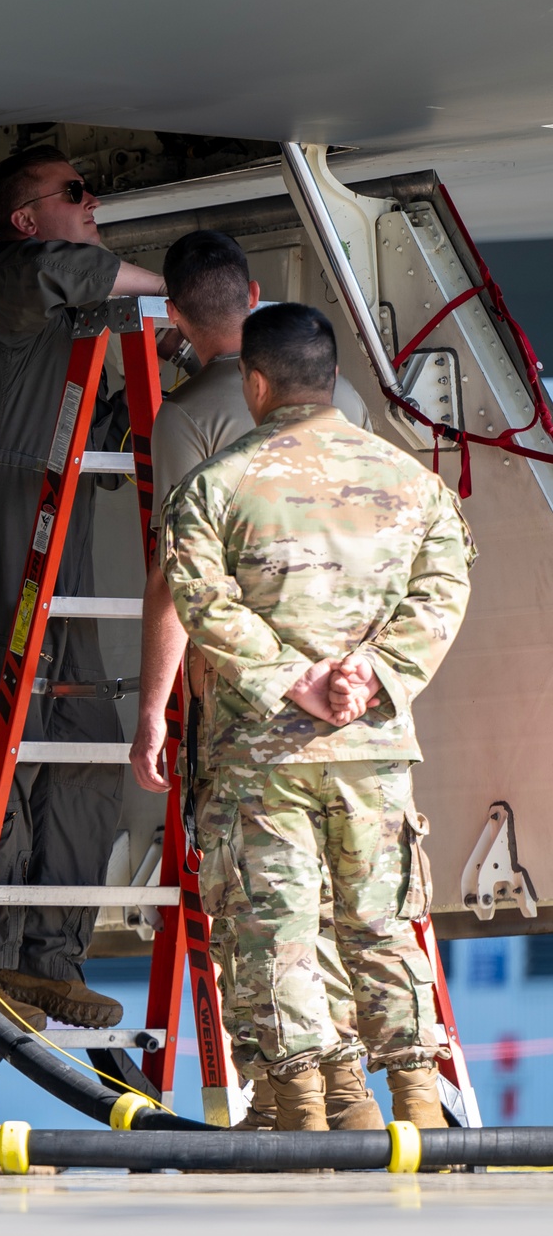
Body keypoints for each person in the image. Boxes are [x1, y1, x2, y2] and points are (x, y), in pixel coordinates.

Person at [158, 301, 474, 1131]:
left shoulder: (215, 487)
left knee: (277, 932)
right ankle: (415, 1106)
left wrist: (288, 678)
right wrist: (371, 675)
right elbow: (443, 591)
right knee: (383, 922)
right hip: (370, 747)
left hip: (259, 757)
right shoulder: (415, 484)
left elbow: (200, 599)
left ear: (255, 383)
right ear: (330, 376)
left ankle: (302, 1112)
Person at [130, 231, 381, 1131]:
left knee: (259, 909)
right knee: (354, 908)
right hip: (357, 707)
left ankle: (298, 1099)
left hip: (243, 706)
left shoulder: (191, 416)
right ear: (259, 292)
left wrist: (154, 707)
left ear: (175, 316)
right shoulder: (343, 399)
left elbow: (175, 580)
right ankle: (357, 1094)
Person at [0, 146, 165, 1030]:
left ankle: (50, 956)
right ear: (27, 218)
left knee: (82, 732)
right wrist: (170, 289)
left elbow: (99, 427)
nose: (92, 199)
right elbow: (65, 270)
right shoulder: (14, 283)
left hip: (51, 516)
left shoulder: (74, 327)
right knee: (2, 731)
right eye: (74, 191)